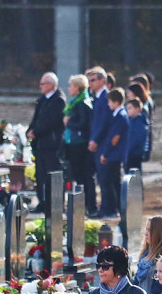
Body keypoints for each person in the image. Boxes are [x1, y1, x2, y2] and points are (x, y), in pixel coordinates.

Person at [27, 72, 66, 212]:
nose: (40, 86)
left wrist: (36, 132)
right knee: (41, 175)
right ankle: (42, 202)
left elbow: (51, 122)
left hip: (52, 144)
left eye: (43, 84)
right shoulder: (42, 100)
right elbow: (36, 118)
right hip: (40, 144)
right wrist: (30, 130)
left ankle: (55, 204)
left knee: (53, 175)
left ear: (51, 85)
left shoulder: (58, 100)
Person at [62, 74, 96, 217]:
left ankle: (87, 204)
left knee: (82, 176)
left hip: (79, 144)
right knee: (76, 175)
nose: (68, 88)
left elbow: (84, 123)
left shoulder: (83, 103)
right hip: (73, 142)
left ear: (77, 87)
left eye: (71, 85)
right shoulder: (76, 101)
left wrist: (68, 122)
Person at [95, 89, 129, 218]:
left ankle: (110, 208)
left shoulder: (120, 116)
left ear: (116, 101)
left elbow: (114, 138)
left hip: (114, 155)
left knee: (108, 182)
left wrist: (105, 153)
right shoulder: (118, 114)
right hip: (115, 154)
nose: (108, 104)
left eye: (110, 101)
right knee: (114, 182)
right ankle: (116, 207)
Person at [86, 66, 111, 213]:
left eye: (94, 80)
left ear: (102, 80)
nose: (91, 83)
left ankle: (107, 208)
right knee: (100, 177)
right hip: (96, 142)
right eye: (89, 80)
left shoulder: (105, 97)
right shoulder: (95, 97)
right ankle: (103, 206)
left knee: (105, 178)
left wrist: (95, 140)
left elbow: (104, 122)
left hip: (102, 143)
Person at [124, 99, 148, 173]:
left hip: (134, 155)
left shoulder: (139, 123)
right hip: (129, 154)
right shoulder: (131, 121)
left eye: (130, 108)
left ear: (137, 109)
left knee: (134, 177)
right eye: (127, 108)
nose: (128, 110)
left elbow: (135, 140)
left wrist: (127, 152)